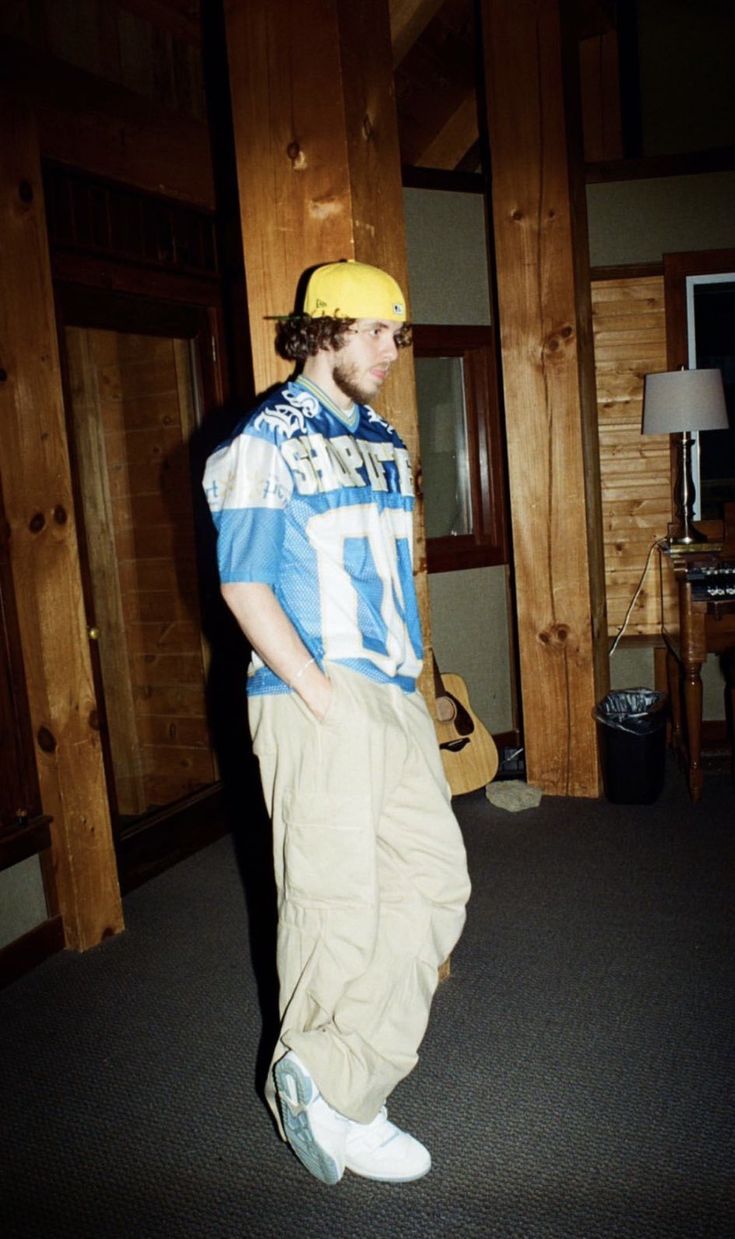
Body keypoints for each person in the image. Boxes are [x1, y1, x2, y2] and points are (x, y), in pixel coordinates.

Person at [203, 259, 471, 1185]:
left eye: (397, 334)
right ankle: (342, 1094)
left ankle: (331, 1074)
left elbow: (390, 578)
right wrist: (318, 694)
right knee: (333, 904)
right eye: (373, 332)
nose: (391, 351)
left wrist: (414, 684)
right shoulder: (262, 438)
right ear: (320, 330)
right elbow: (243, 583)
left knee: (434, 883)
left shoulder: (385, 439)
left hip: (390, 692)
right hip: (312, 690)